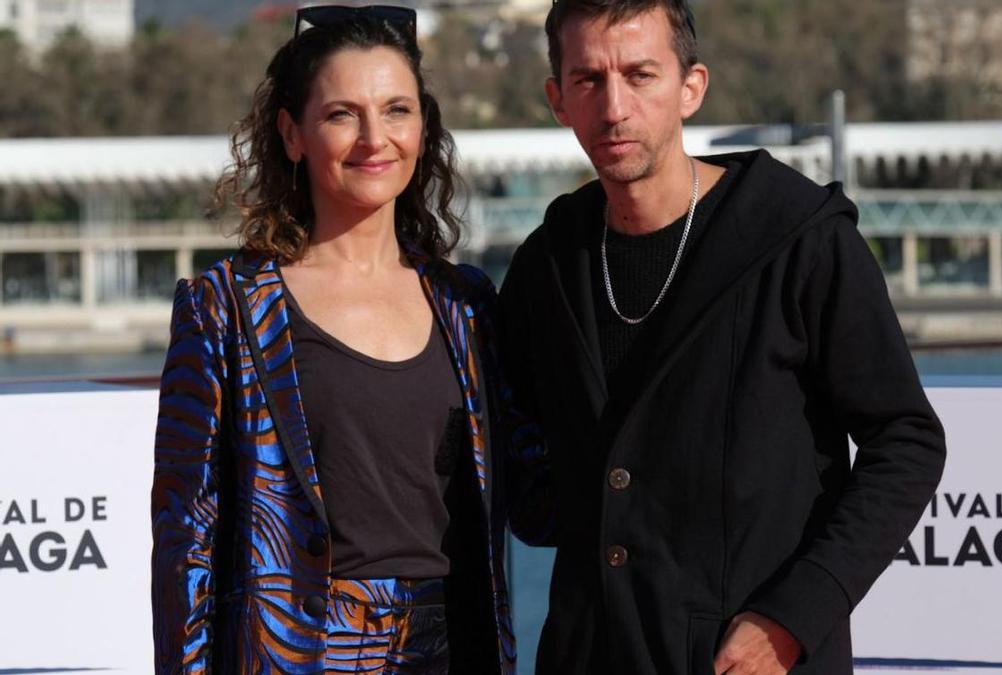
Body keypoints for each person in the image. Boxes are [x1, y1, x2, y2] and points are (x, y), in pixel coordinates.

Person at [498, 1, 948, 673]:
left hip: (749, 657)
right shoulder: (549, 261)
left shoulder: (801, 239)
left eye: (640, 74)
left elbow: (907, 441)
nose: (615, 106)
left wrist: (793, 616)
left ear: (691, 87)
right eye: (589, 79)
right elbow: (511, 437)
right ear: (558, 99)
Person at [151, 7, 523, 673]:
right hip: (298, 651)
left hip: (449, 650)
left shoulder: (469, 304)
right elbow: (187, 540)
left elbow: (534, 487)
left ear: (424, 127)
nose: (374, 138)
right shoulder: (226, 308)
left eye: (397, 110)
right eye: (342, 114)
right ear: (292, 133)